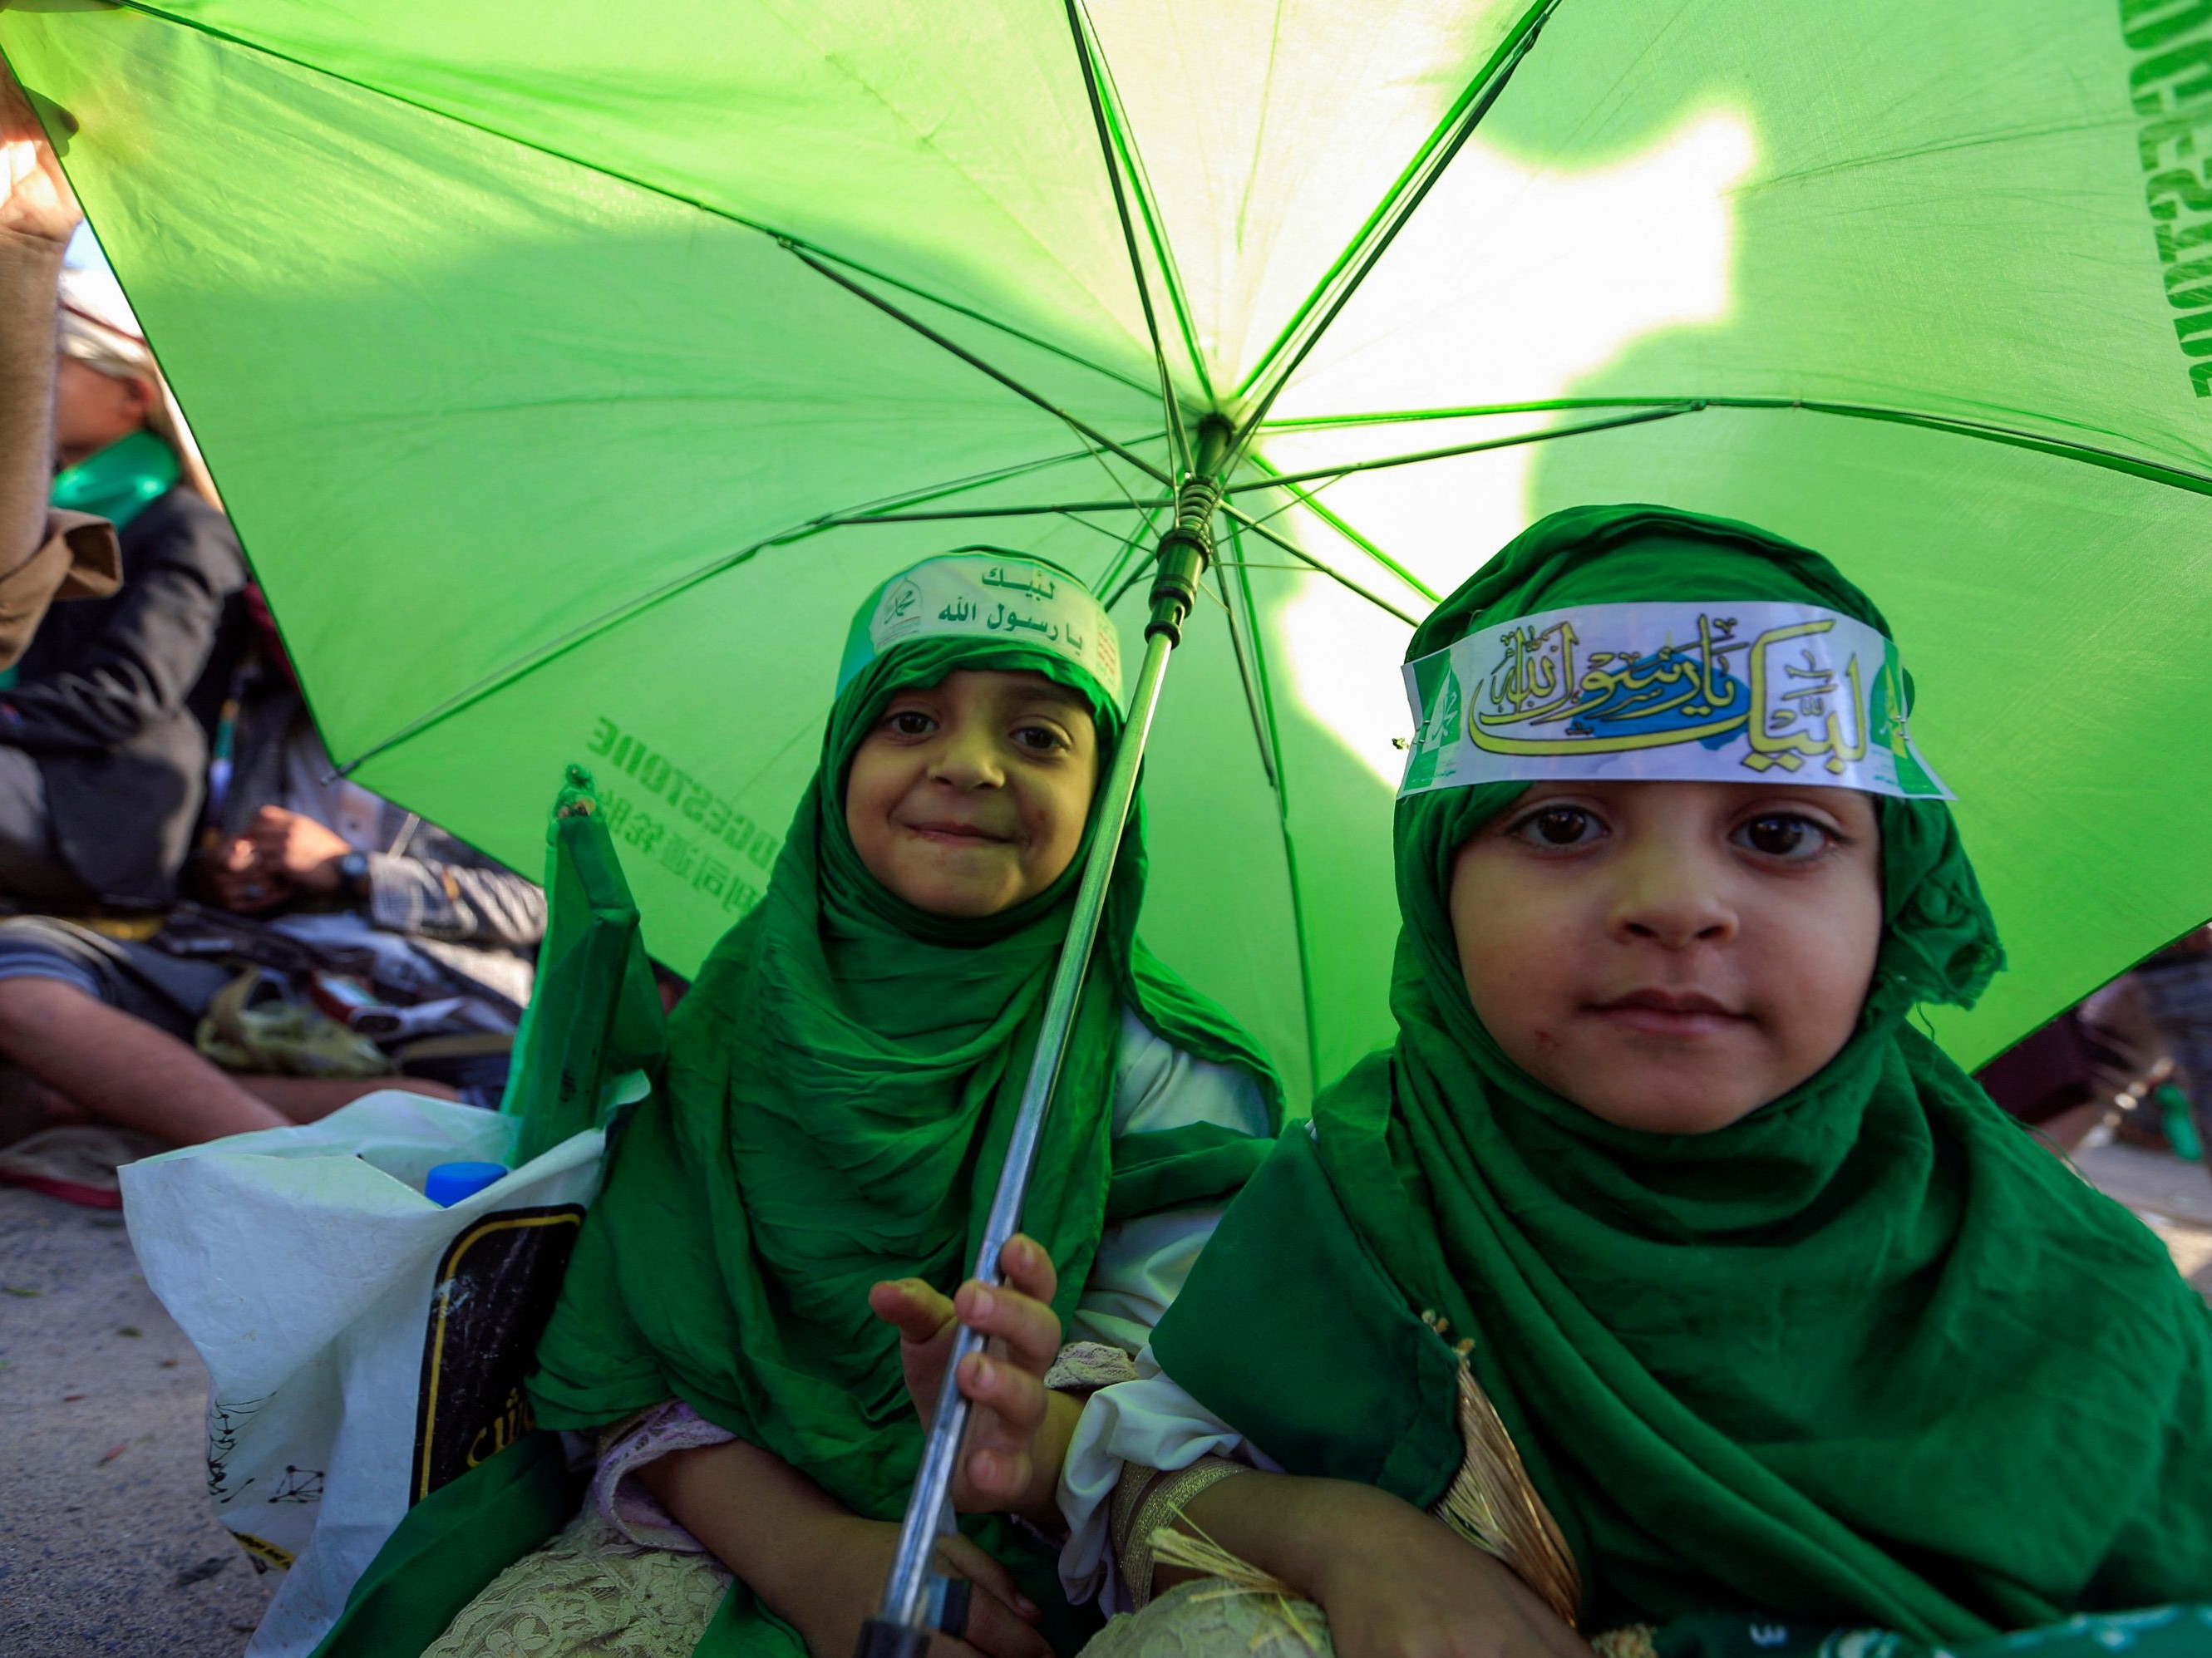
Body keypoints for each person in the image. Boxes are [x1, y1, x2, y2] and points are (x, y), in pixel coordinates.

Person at [1032, 506, 2212, 1658]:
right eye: (1559, 822)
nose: (1675, 901)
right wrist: (1341, 1534)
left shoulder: (2094, 1308)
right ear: (1437, 880)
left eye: (1779, 833)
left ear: (1891, 890)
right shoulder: (1354, 1206)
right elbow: (1168, 1471)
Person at [377, 551, 1280, 1658]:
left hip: (1048, 1547)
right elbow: (635, 1336)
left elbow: (1172, 1398)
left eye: (1039, 736)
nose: (970, 766)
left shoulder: (1168, 1065)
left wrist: (1026, 1410)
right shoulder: (743, 1006)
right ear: (838, 754)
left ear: (1111, 797)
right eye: (909, 719)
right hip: (713, 1510)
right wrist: (812, 1554)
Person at [0, 616, 548, 1155]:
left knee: (493, 1111)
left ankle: (139, 1096)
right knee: (21, 972)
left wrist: (351, 869)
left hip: (427, 984)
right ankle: (285, 1151)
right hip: (262, 965)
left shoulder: (494, 736)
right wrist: (223, 875)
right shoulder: (267, 710)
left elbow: (538, 904)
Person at [0, 81, 249, 908]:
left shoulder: (188, 528)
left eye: (61, 366)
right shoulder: (40, 505)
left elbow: (127, 695)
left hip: (98, 821)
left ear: (132, 396)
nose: (38, 380)